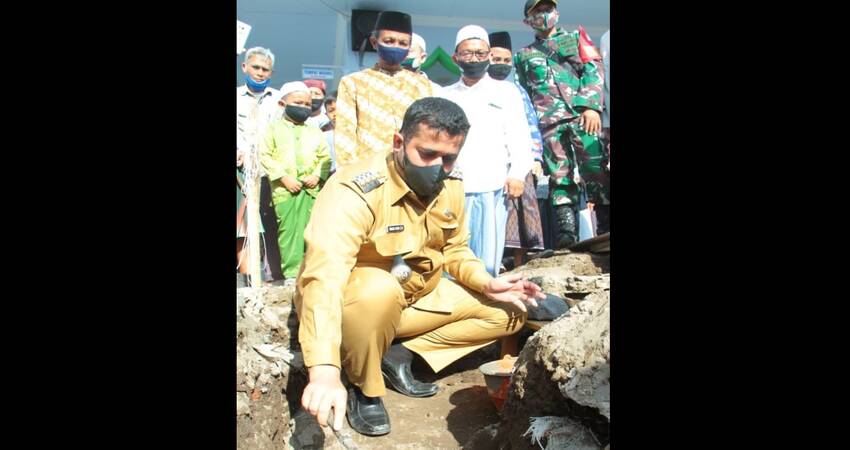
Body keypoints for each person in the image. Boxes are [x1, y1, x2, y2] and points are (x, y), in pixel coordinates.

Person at [294, 97, 545, 436]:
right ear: (399, 142)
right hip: (357, 305)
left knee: (513, 311)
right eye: (426, 154)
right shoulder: (355, 190)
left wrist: (486, 283)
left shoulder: (450, 184)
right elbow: (324, 278)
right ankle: (363, 386)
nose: (437, 166)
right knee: (378, 290)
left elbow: (455, 249)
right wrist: (323, 369)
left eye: (448, 158)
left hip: (414, 298)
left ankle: (398, 355)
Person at [439, 25, 533, 276]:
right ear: (455, 57)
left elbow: (520, 135)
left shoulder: (506, 92)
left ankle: (485, 305)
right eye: (468, 53)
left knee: (488, 257)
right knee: (454, 251)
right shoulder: (445, 95)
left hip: (493, 185)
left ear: (489, 55)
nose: (474, 59)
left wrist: (518, 174)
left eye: (480, 54)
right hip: (454, 185)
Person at [514, 0, 608, 247]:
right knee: (560, 177)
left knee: (596, 172)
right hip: (549, 125)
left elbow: (594, 69)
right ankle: (567, 236)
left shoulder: (577, 39)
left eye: (548, 9)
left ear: (556, 12)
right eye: (537, 12)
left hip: (583, 118)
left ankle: (606, 228)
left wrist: (591, 107)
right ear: (527, 21)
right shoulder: (523, 55)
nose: (544, 15)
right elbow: (524, 91)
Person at [334, 10, 433, 167]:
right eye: (389, 41)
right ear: (374, 42)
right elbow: (344, 135)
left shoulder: (421, 84)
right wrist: (349, 174)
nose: (396, 46)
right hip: (367, 170)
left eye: (403, 44)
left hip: (409, 169)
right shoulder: (353, 82)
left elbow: (428, 129)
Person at [260, 82, 332, 284]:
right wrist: (284, 177)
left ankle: (311, 273)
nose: (303, 107)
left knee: (313, 232)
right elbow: (265, 156)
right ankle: (292, 275)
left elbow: (324, 157)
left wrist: (317, 175)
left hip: (311, 191)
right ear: (283, 104)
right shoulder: (272, 129)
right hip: (285, 191)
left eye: (308, 104)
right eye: (298, 102)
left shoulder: (314, 130)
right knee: (289, 233)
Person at [487, 30, 546, 266]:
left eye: (506, 61)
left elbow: (531, 124)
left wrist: (536, 157)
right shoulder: (478, 88)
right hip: (490, 162)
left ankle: (520, 266)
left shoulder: (517, 90)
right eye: (495, 59)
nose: (501, 65)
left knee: (522, 217)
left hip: (519, 164)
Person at [236, 46, 284, 282]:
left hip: (270, 174)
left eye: (265, 69)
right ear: (244, 67)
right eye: (255, 67)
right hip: (241, 174)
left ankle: (272, 279)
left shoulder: (278, 101)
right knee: (243, 230)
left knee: (272, 229)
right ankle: (246, 281)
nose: (260, 72)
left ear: (271, 73)